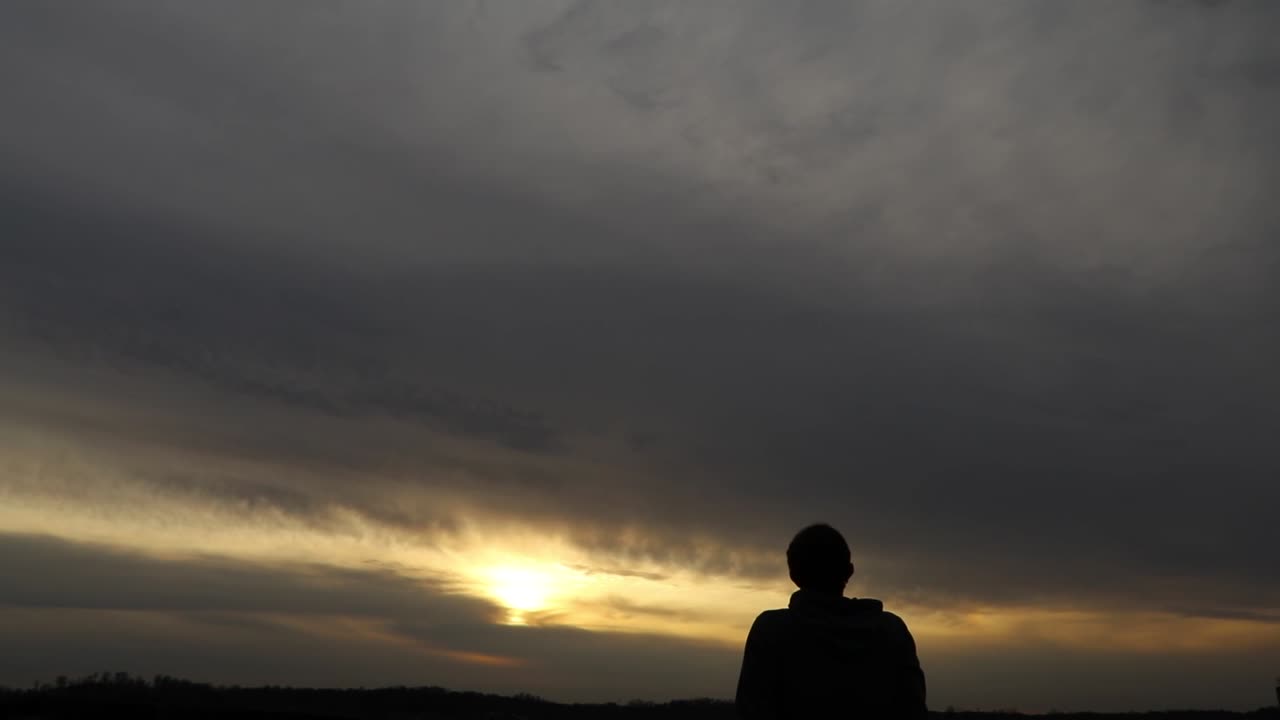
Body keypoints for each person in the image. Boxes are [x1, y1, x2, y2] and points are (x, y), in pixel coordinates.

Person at [735, 523, 927, 719]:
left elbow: (751, 709)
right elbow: (914, 708)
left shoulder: (770, 630)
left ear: (793, 576)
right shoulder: (893, 632)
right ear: (849, 571)